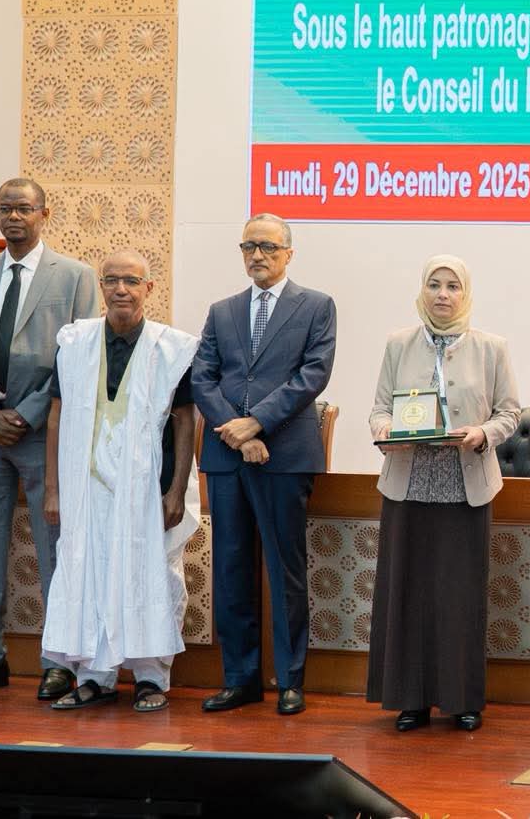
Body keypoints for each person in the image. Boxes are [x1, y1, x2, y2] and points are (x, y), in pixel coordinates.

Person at [0, 179, 100, 700]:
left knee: (55, 552)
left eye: (24, 208)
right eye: (5, 208)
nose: (13, 217)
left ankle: (58, 662)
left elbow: (80, 358)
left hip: (42, 435)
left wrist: (26, 416)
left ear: (43, 214)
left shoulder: (74, 276)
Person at [38, 252, 199, 712]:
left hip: (148, 487)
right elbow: (56, 415)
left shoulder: (172, 348)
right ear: (102, 286)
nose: (121, 289)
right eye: (112, 280)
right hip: (86, 485)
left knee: (150, 576)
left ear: (149, 288)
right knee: (88, 573)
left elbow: (186, 419)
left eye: (132, 280)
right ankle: (95, 676)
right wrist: (53, 488)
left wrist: (176, 490)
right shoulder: (75, 343)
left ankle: (150, 678)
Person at [367, 256, 521, 733]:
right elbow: (379, 409)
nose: (443, 294)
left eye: (453, 286)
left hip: (464, 486)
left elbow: (510, 413)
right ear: (423, 290)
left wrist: (482, 434)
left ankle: (461, 700)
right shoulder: (398, 344)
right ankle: (410, 700)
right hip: (408, 483)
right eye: (434, 284)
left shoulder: (491, 348)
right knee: (407, 593)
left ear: (465, 293)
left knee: (459, 597)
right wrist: (385, 430)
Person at [191, 214, 337, 717]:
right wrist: (236, 430)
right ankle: (240, 679)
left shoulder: (316, 305)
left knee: (285, 570)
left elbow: (312, 375)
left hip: (285, 455)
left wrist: (256, 424)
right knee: (231, 569)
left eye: (269, 247)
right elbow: (203, 378)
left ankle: (290, 680)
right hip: (226, 456)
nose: (258, 255)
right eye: (249, 246)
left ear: (289, 254)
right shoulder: (222, 311)